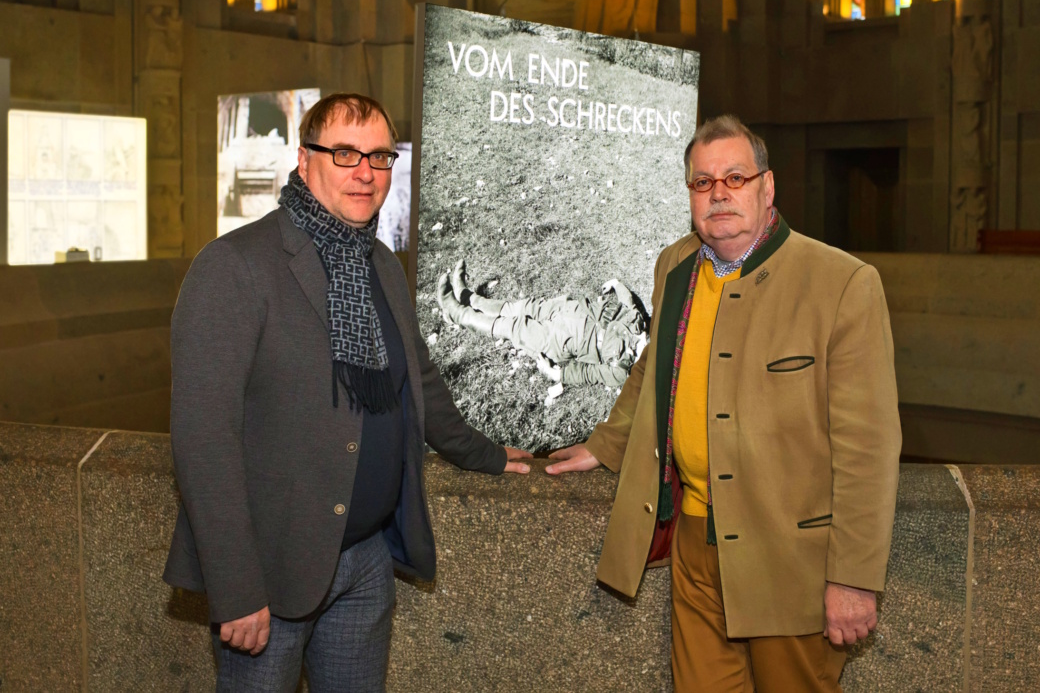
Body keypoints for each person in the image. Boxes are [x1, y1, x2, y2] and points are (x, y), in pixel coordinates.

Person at [163, 92, 531, 692]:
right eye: (345, 153)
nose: (365, 172)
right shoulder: (234, 266)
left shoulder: (380, 263)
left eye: (380, 156)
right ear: (304, 159)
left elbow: (418, 379)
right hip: (272, 577)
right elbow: (203, 441)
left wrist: (484, 454)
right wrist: (236, 588)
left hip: (366, 561)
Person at [546, 114, 901, 692]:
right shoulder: (675, 266)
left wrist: (855, 578)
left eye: (735, 178)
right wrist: (606, 444)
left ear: (767, 186)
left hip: (791, 560)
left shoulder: (841, 283)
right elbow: (655, 364)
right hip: (695, 545)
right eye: (703, 182)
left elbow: (870, 447)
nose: (719, 194)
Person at [435, 258, 649, 387]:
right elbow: (627, 301)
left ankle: (458, 314)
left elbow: (589, 374)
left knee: (515, 327)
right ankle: (468, 298)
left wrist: (557, 374)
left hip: (564, 340)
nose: (647, 340)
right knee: (521, 308)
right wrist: (616, 284)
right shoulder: (639, 324)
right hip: (572, 309)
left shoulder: (623, 370)